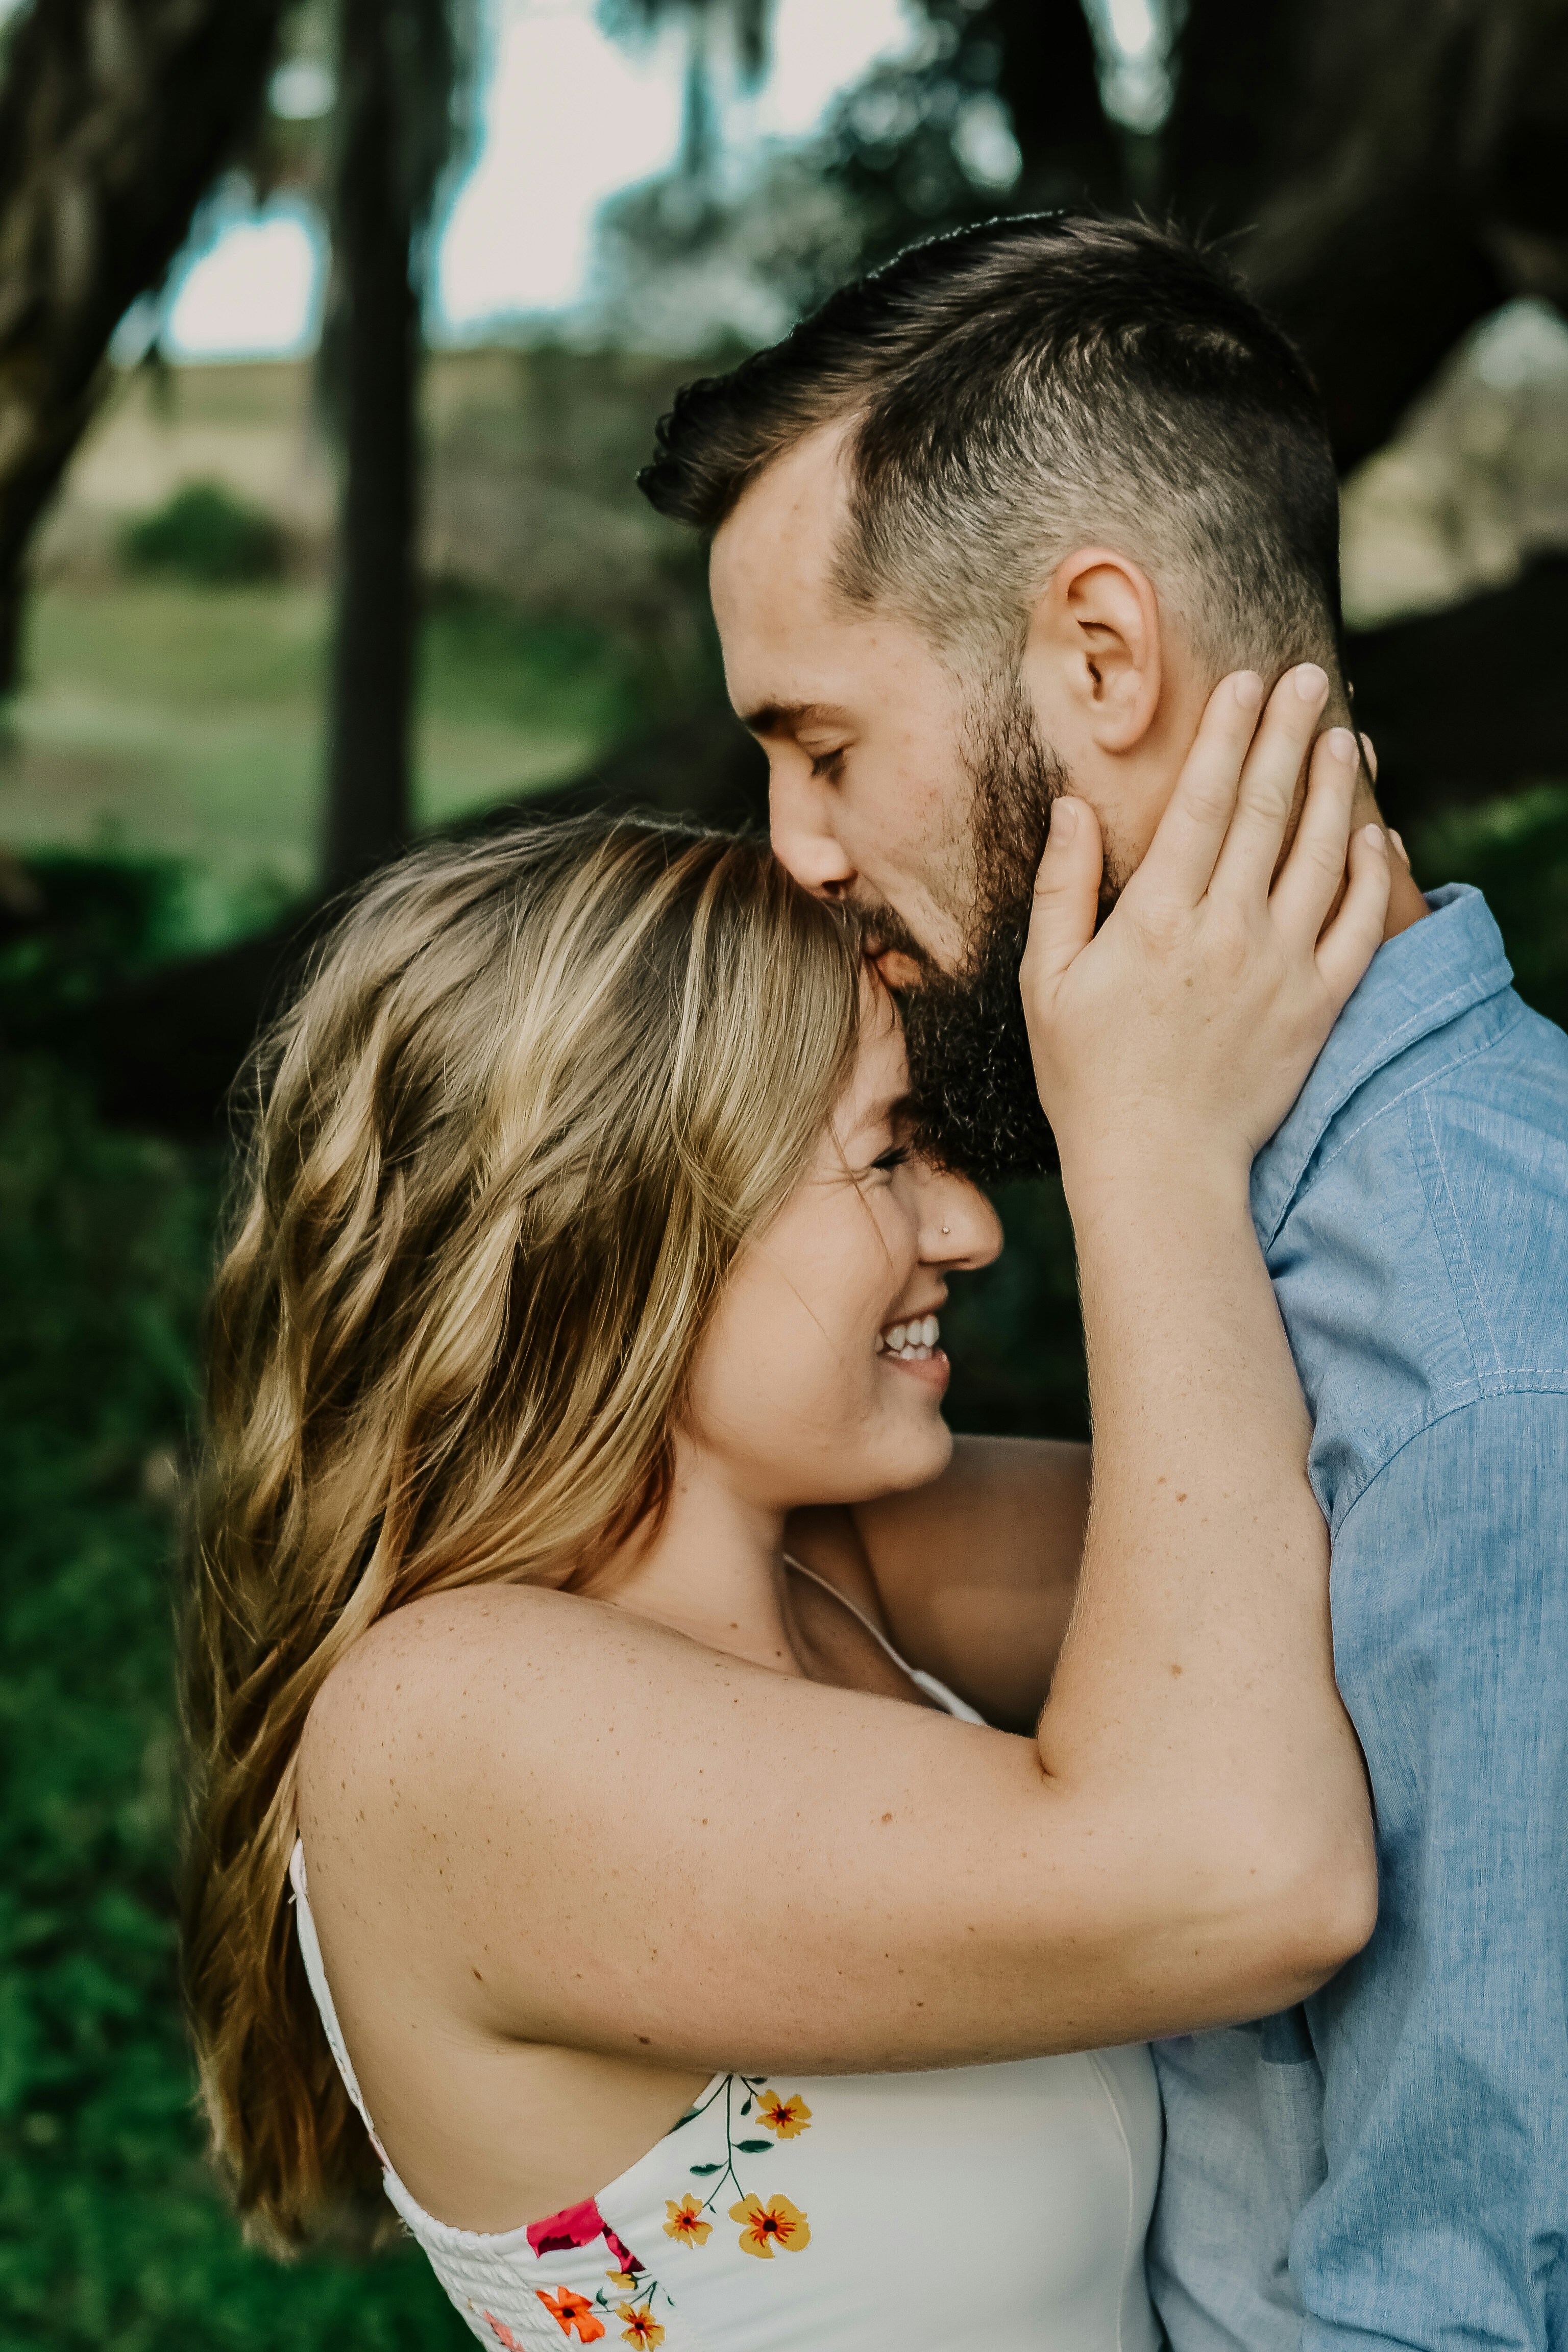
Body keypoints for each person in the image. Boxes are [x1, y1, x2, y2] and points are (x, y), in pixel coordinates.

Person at [182, 681, 1384, 2351]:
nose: (968, 1226)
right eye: (887, 1155)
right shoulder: (441, 1720)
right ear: (622, 1214)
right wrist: (1155, 1153)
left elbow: (1369, 1543)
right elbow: (1248, 1875)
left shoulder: (841, 1566)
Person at [640, 210, 1568, 2349]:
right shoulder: (1267, 1235)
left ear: (1100, 663)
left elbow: (1450, 2309)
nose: (793, 850)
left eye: (824, 746)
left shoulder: (1481, 1372)